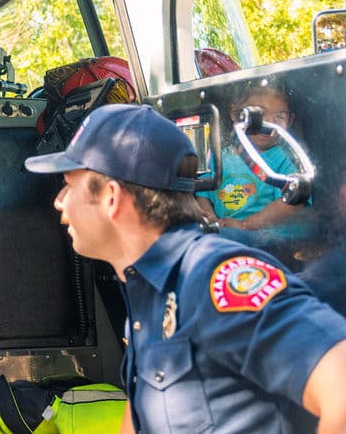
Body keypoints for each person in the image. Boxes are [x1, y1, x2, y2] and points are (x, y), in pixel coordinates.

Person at [24, 103, 346, 433]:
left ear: (111, 197)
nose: (59, 201)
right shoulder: (146, 288)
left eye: (69, 185)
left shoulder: (209, 277)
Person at [197, 81, 309, 231]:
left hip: (265, 237)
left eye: (280, 116)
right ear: (236, 114)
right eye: (260, 114)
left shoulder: (285, 158)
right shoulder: (218, 157)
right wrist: (211, 219)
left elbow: (291, 203)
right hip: (225, 232)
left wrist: (245, 225)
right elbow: (203, 194)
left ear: (290, 120)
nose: (269, 123)